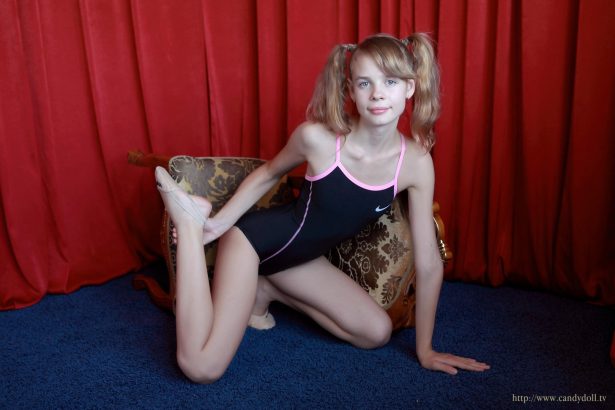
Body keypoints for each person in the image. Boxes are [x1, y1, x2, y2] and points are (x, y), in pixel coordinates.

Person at [155, 33, 490, 384]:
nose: (378, 94)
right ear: (351, 90)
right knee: (202, 368)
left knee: (376, 332)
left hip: (300, 260)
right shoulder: (318, 138)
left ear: (410, 88)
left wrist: (426, 350)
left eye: (390, 82)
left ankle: (265, 288)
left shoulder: (416, 163)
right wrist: (217, 225)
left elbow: (429, 261)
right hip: (252, 244)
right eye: (365, 83)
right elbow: (269, 173)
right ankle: (190, 222)